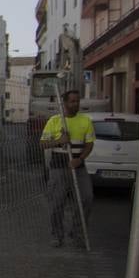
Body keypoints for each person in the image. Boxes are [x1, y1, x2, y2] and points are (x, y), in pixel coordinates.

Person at [39, 89, 95, 247]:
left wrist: (80, 159)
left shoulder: (85, 121)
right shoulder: (55, 121)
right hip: (58, 167)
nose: (76, 104)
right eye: (72, 101)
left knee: (86, 198)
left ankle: (77, 233)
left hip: (78, 166)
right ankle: (57, 235)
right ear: (64, 103)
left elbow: (89, 144)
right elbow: (42, 144)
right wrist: (59, 140)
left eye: (77, 101)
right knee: (57, 203)